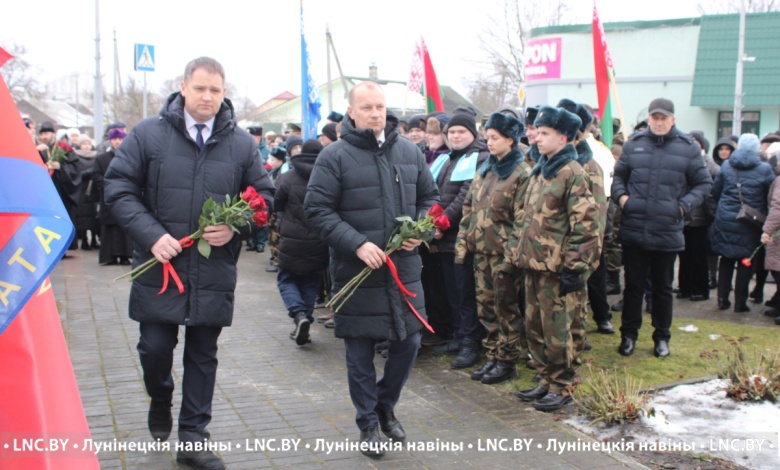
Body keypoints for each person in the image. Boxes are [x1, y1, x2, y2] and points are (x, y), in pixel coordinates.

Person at [104, 57, 274, 470]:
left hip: (213, 269)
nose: (207, 97)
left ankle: (194, 438)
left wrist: (235, 227)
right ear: (183, 88)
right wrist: (151, 235)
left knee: (202, 355)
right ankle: (160, 396)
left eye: (215, 90)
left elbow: (265, 197)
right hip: (161, 267)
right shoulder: (148, 134)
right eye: (200, 88)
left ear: (224, 93)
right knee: (154, 348)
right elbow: (119, 188)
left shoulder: (240, 144)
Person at [304, 81, 439, 458]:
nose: (375, 113)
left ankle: (384, 405)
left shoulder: (409, 151)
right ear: (351, 112)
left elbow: (430, 199)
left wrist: (420, 230)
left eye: (380, 106)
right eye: (366, 107)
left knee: (409, 342)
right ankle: (367, 423)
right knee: (360, 349)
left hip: (403, 268)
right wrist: (357, 243)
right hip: (356, 270)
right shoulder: (334, 156)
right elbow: (317, 210)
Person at [514, 106, 600, 412]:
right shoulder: (541, 170)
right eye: (537, 131)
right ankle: (545, 378)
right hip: (533, 264)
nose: (536, 137)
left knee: (558, 330)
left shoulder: (572, 173)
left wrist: (574, 267)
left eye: (545, 133)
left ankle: (563, 384)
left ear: (563, 138)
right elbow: (526, 218)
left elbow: (586, 225)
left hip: (557, 268)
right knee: (535, 326)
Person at [611, 98, 711, 358]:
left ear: (672, 119)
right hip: (635, 227)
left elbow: (703, 184)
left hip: (667, 229)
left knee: (663, 289)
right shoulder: (634, 144)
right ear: (649, 119)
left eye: (663, 118)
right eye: (655, 117)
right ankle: (628, 335)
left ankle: (662, 337)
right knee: (633, 287)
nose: (658, 122)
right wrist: (623, 199)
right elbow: (618, 177)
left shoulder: (687, 148)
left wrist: (682, 207)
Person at [456, 112, 530, 384]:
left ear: (510, 140)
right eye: (487, 137)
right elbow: (469, 207)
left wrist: (512, 257)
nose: (489, 142)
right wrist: (463, 243)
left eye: (495, 137)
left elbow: (523, 221)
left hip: (503, 254)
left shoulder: (521, 173)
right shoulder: (485, 169)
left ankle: (507, 360)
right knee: (486, 307)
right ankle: (493, 355)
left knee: (505, 308)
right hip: (481, 251)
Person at [428, 110, 489, 369]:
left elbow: (465, 196)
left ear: (472, 133)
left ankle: (470, 342)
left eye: (461, 131)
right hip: (445, 238)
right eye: (451, 132)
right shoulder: (450, 158)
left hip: (463, 236)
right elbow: (437, 192)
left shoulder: (479, 157)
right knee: (452, 291)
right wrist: (431, 222)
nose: (455, 136)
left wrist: (442, 223)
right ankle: (458, 335)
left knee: (465, 293)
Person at [274, 139, 329, 345]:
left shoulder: (287, 177)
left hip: (291, 239)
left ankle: (299, 316)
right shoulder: (328, 178)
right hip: (319, 239)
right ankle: (305, 319)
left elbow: (276, 204)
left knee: (286, 279)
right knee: (310, 281)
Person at [711, 134, 774, 312]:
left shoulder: (727, 165)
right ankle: (740, 303)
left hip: (725, 219)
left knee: (726, 259)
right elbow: (770, 196)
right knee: (746, 260)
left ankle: (722, 299)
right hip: (750, 221)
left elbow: (715, 191)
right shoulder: (764, 169)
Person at [37, 120, 81, 252]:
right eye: (42, 134)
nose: (44, 136)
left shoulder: (64, 148)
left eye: (47, 133)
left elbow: (76, 169)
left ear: (53, 134)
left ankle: (64, 246)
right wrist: (36, 152)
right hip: (44, 192)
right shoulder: (37, 148)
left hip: (62, 190)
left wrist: (61, 167)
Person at [92, 128, 134, 265]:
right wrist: (109, 186)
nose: (117, 142)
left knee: (123, 226)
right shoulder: (101, 158)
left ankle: (124, 255)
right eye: (115, 139)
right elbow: (96, 176)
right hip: (107, 198)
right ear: (110, 141)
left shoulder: (130, 157)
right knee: (109, 228)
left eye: (120, 139)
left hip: (125, 197)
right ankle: (109, 257)